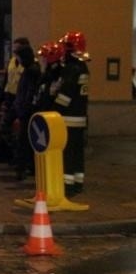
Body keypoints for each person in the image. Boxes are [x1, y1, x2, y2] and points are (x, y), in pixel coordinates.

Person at [54, 31, 90, 197]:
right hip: (80, 118)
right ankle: (78, 183)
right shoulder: (83, 67)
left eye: (65, 47)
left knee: (68, 154)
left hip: (68, 118)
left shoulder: (71, 69)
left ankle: (67, 186)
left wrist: (54, 110)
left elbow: (65, 96)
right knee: (77, 153)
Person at [11, 45, 41, 181]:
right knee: (25, 142)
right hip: (25, 110)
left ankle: (23, 168)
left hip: (27, 112)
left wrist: (23, 109)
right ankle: (26, 167)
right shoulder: (29, 70)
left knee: (24, 142)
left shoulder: (32, 71)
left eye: (20, 57)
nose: (19, 60)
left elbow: (29, 93)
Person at [0, 36, 30, 158]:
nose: (15, 51)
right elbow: (7, 80)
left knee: (22, 129)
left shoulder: (29, 63)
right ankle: (13, 151)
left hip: (21, 98)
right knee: (4, 126)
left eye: (17, 48)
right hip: (10, 97)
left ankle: (20, 154)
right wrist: (1, 97)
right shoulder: (12, 61)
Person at [33, 40, 64, 112]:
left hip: (52, 114)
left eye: (44, 58)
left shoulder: (58, 75)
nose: (42, 60)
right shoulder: (46, 75)